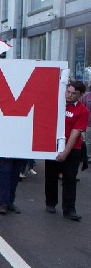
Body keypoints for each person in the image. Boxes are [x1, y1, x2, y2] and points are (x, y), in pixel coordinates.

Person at [44, 80, 89, 221]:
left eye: (73, 93)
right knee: (50, 176)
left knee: (70, 179)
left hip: (72, 149)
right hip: (53, 146)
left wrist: (65, 152)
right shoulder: (57, 104)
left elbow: (76, 134)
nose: (69, 95)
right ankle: (50, 203)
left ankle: (69, 209)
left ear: (80, 95)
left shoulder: (83, 111)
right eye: (68, 91)